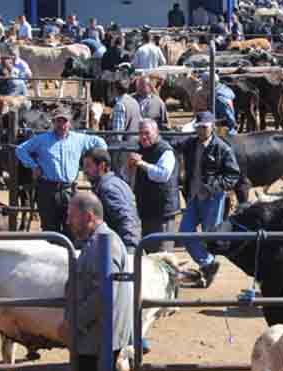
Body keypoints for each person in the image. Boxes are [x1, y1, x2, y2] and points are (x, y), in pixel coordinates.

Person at [64, 192, 132, 371]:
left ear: (89, 216)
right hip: (97, 333)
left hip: (99, 336)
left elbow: (106, 293)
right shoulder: (98, 242)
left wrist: (75, 321)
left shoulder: (106, 244)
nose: (68, 220)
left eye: (72, 215)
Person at [174, 111, 240, 288]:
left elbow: (233, 175)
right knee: (185, 232)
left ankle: (207, 269)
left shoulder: (222, 148)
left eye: (204, 127)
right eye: (199, 127)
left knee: (210, 236)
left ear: (213, 127)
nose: (201, 131)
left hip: (212, 199)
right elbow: (173, 145)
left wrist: (212, 187)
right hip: (193, 197)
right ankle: (208, 263)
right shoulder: (190, 144)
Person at [15, 108, 108, 233]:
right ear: (53, 122)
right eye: (58, 121)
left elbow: (101, 143)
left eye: (64, 121)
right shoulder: (42, 139)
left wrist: (92, 158)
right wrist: (33, 165)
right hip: (48, 189)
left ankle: (68, 252)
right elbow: (20, 150)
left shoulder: (79, 139)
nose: (61, 125)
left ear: (69, 123)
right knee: (49, 228)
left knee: (72, 227)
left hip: (68, 189)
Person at [128, 119, 181, 252]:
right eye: (140, 133)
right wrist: (130, 167)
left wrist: (141, 164)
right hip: (147, 210)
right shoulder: (141, 150)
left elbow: (162, 175)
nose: (143, 137)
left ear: (156, 132)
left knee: (163, 255)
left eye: (147, 133)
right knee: (151, 253)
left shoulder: (165, 151)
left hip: (163, 212)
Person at [82, 147, 142, 252]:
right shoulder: (113, 183)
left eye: (88, 166)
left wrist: (130, 249)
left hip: (118, 248)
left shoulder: (108, 188)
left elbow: (126, 218)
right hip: (114, 245)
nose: (85, 171)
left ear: (102, 166)